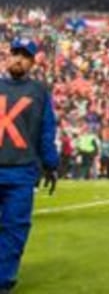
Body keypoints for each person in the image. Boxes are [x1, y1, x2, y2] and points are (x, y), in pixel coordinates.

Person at [0, 38, 59, 292]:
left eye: (25, 55)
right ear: (8, 56)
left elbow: (46, 130)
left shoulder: (40, 92)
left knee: (15, 229)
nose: (18, 59)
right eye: (15, 53)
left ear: (32, 62)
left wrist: (51, 163)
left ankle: (3, 280)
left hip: (22, 172)